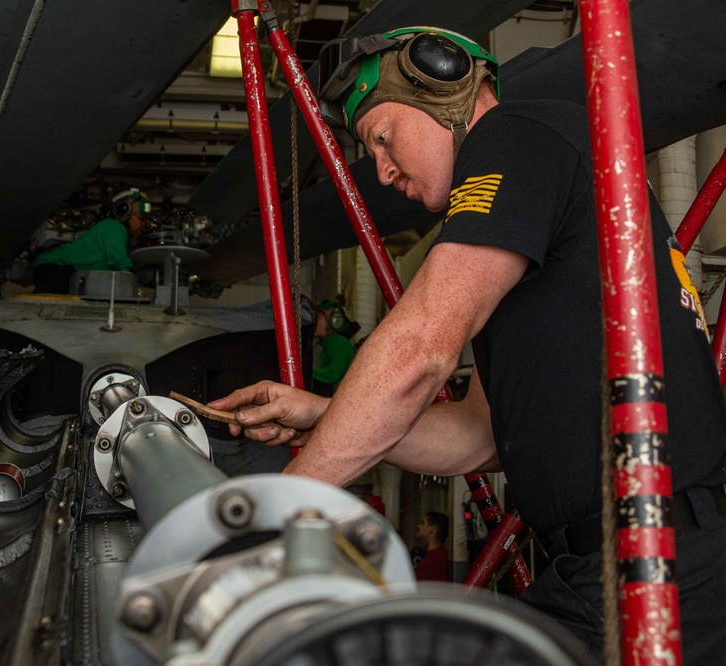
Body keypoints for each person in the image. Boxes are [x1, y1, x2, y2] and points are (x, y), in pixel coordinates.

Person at [208, 26, 726, 662]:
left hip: (659, 564)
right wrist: (322, 413)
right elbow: (479, 436)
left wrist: (270, 520)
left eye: (381, 138)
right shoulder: (528, 227)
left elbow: (422, 345)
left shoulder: (516, 135)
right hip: (608, 567)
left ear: (443, 87)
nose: (383, 170)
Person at [32, 189, 149, 293]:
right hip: (54, 269)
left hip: (60, 271)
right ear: (124, 211)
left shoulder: (112, 228)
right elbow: (119, 262)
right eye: (141, 219)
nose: (144, 225)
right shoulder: (113, 227)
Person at [311, 298, 359, 394]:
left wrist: (306, 372)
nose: (314, 321)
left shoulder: (340, 343)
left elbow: (333, 374)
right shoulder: (328, 344)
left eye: (319, 317)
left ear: (334, 321)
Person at [413, 511, 451, 582]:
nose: (418, 526)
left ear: (432, 530)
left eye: (422, 523)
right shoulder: (438, 556)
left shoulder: (433, 561)